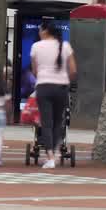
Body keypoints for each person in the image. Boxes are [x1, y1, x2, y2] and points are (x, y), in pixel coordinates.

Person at [30, 21, 76, 169]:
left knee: (46, 122)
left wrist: (43, 76)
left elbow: (35, 70)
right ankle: (55, 152)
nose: (38, 32)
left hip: (43, 87)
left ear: (44, 31)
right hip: (61, 88)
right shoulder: (66, 46)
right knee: (58, 122)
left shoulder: (36, 46)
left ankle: (50, 157)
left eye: (39, 30)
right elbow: (73, 69)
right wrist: (65, 79)